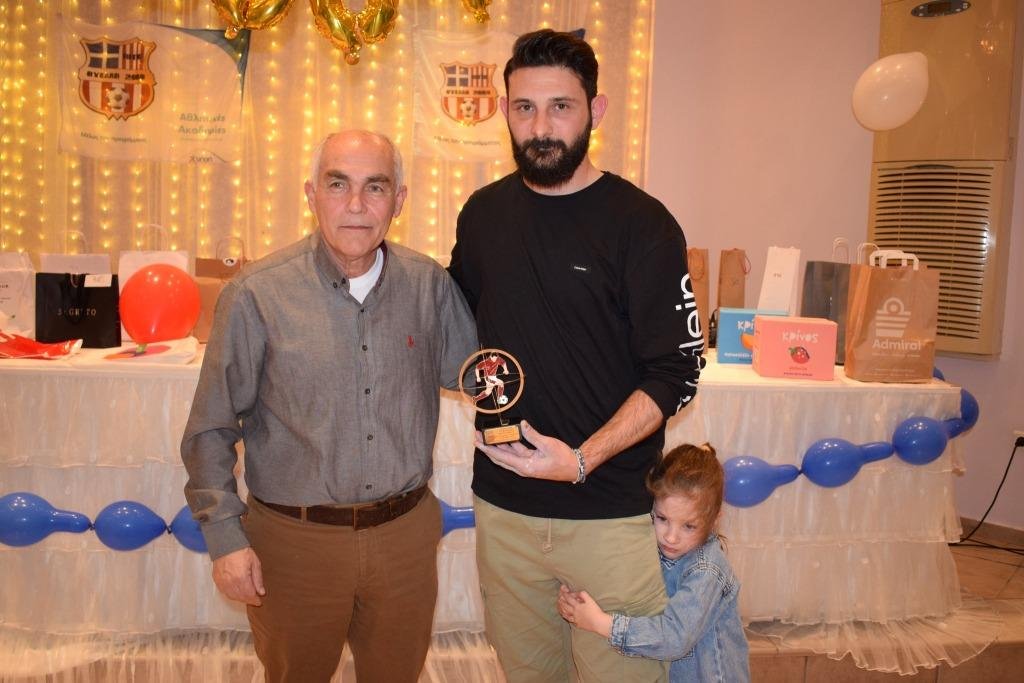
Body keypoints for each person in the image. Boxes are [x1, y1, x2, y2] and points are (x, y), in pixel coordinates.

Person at [448, 29, 706, 681]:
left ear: (596, 109)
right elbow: (457, 328)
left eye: (560, 106)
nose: (541, 127)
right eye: (525, 107)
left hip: (609, 514)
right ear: (504, 111)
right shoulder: (482, 215)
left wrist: (583, 458)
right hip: (504, 511)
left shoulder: (642, 224)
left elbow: (677, 371)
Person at [181, 130, 478, 683]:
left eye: (376, 187)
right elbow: (211, 428)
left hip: (404, 539)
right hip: (294, 545)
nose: (357, 205)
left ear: (399, 200)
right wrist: (225, 539)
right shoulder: (256, 294)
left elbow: (481, 375)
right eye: (338, 184)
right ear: (311, 194)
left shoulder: (429, 287)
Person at [557, 444, 751, 682]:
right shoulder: (652, 546)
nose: (671, 537)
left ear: (714, 520)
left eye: (689, 526)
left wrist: (601, 623)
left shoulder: (707, 570)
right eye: (662, 518)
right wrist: (577, 604)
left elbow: (675, 638)